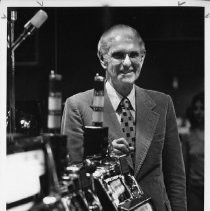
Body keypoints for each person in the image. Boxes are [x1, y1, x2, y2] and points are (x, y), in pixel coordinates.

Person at [61, 24, 187, 211]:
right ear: (103, 60)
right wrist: (105, 157)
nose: (127, 63)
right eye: (118, 55)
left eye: (134, 55)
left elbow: (175, 174)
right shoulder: (77, 105)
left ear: (142, 58)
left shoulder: (162, 103)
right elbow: (74, 176)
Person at [181, 91, 204, 211]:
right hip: (195, 191)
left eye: (202, 108)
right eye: (196, 108)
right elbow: (185, 166)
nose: (198, 112)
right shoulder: (188, 135)